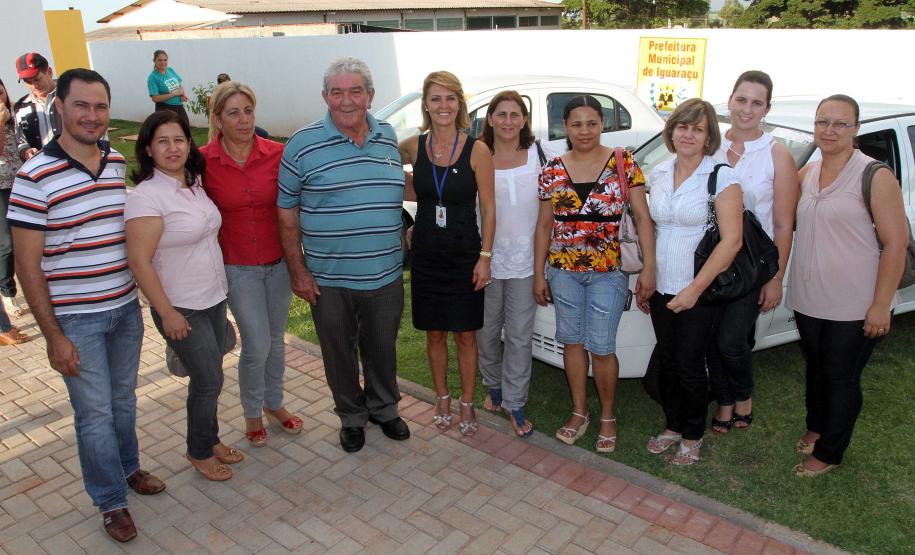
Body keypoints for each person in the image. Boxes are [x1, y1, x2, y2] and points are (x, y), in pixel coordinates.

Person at [8, 68, 165, 543]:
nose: (92, 115)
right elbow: (27, 264)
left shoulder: (115, 162)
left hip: (124, 308)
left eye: (100, 106)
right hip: (77, 320)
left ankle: (129, 469)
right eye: (81, 105)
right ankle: (110, 500)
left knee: (122, 402)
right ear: (59, 106)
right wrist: (54, 335)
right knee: (93, 414)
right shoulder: (34, 176)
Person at [278, 57, 410, 453]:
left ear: (370, 96)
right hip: (329, 278)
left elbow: (400, 184)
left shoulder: (387, 136)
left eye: (356, 91)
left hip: (385, 274)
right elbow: (286, 215)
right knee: (338, 352)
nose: (347, 100)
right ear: (325, 97)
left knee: (382, 348)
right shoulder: (301, 144)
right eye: (338, 92)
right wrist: (298, 270)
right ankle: (351, 416)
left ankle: (384, 409)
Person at [786, 95, 908, 477]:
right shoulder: (808, 174)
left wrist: (880, 304)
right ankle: (817, 425)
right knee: (817, 369)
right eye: (823, 122)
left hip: (854, 303)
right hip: (809, 298)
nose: (830, 130)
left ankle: (829, 452)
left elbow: (896, 243)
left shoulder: (874, 175)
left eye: (840, 123)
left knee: (841, 377)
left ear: (856, 129)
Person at [125, 110, 243, 481]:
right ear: (148, 148)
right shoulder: (147, 197)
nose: (172, 148)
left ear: (189, 143)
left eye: (178, 139)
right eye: (162, 141)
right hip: (180, 305)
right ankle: (198, 450)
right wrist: (167, 313)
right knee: (208, 379)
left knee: (211, 374)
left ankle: (211, 439)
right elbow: (139, 262)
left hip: (211, 296)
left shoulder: (193, 184)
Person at [533, 95, 656, 452]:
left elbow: (643, 219)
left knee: (602, 347)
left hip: (607, 272)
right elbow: (544, 226)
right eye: (576, 124)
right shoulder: (552, 170)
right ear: (565, 127)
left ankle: (607, 416)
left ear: (602, 123)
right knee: (571, 342)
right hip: (562, 272)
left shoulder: (623, 163)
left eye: (591, 123)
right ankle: (579, 412)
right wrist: (539, 274)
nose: (584, 130)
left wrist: (650, 267)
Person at [200, 81, 300, 447]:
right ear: (218, 119)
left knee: (275, 340)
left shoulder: (278, 153)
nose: (243, 120)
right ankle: (251, 411)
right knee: (256, 343)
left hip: (278, 264)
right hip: (237, 267)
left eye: (248, 111)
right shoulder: (203, 160)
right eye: (233, 113)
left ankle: (275, 403)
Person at [646, 98, 743, 466]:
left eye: (697, 128)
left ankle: (692, 435)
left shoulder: (721, 176)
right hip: (661, 287)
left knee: (689, 363)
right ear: (671, 131)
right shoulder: (658, 171)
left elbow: (732, 241)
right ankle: (673, 424)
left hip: (699, 289)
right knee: (669, 361)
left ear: (708, 137)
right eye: (682, 126)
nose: (688, 134)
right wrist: (649, 275)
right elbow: (652, 229)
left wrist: (694, 290)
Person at [398, 71, 495, 437]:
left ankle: (467, 401)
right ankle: (441, 396)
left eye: (450, 98)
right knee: (434, 333)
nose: (443, 106)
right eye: (436, 98)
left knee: (466, 335)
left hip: (464, 255)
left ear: (460, 104)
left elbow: (489, 208)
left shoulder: (477, 149)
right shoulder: (412, 146)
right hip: (425, 255)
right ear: (425, 103)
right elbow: (379, 160)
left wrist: (485, 256)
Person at [708, 71, 799, 433]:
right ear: (730, 100)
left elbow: (782, 224)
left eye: (756, 103)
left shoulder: (777, 155)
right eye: (741, 100)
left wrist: (775, 278)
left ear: (767, 109)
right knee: (714, 338)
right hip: (707, 259)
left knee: (732, 340)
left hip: (749, 265)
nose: (746, 109)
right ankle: (725, 402)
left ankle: (742, 396)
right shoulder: (708, 143)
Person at [475, 91, 551, 437]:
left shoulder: (540, 154)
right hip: (485, 259)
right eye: (501, 114)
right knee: (487, 331)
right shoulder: (478, 153)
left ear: (524, 120)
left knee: (519, 336)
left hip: (526, 262)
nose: (508, 121)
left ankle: (515, 402)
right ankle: (493, 387)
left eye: (515, 114)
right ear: (490, 119)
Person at [1, 76, 26, 321]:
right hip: (0, 186)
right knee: (7, 242)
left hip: (22, 182)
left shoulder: (16, 114)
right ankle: (7, 292)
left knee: (27, 239)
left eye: (1, 92)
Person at [12, 52, 59, 162]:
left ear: (49, 72)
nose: (34, 86)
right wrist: (26, 151)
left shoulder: (71, 95)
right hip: (44, 170)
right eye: (28, 82)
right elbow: (21, 142)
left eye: (37, 79)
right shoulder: (21, 107)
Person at [206, 74, 269, 140]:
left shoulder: (236, 94)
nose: (245, 120)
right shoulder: (216, 98)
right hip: (220, 128)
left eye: (248, 110)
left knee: (263, 133)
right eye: (233, 113)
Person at [146, 50, 189, 125]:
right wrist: (174, 94)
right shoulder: (152, 77)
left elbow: (179, 85)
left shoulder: (170, 70)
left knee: (185, 131)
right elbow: (155, 98)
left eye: (165, 60)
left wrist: (182, 95)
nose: (163, 62)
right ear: (154, 61)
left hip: (179, 107)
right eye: (160, 60)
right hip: (164, 109)